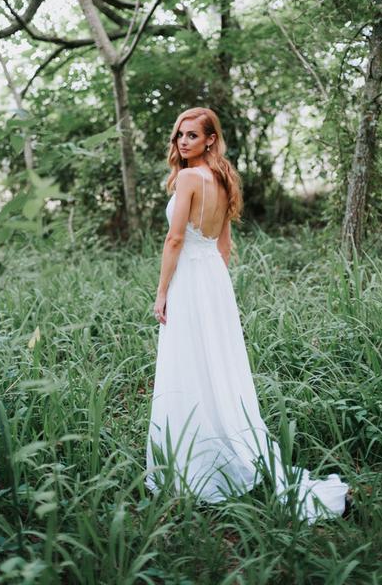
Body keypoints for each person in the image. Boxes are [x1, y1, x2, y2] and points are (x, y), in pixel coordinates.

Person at [145, 107, 349, 523]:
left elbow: (175, 238)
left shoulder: (188, 179)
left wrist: (163, 291)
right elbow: (223, 247)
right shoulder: (221, 179)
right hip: (214, 283)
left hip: (190, 282)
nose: (182, 141)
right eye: (179, 135)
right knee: (217, 368)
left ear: (209, 140)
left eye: (191, 135)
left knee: (188, 366)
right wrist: (215, 293)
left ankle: (195, 467)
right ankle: (216, 453)